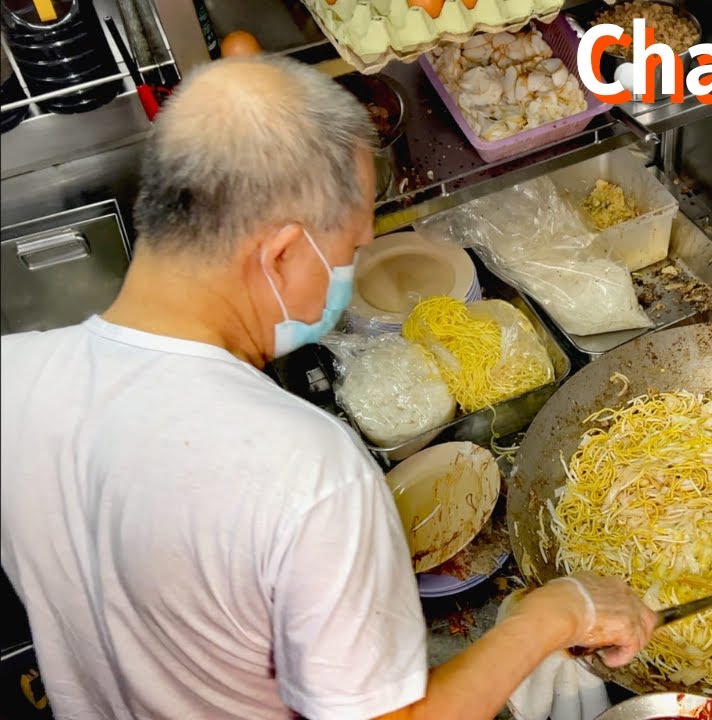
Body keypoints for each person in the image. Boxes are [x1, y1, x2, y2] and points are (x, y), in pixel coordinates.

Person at [0, 56, 657, 720]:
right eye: (349, 253)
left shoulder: (16, 379)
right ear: (282, 251)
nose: (346, 277)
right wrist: (554, 614)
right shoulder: (308, 471)